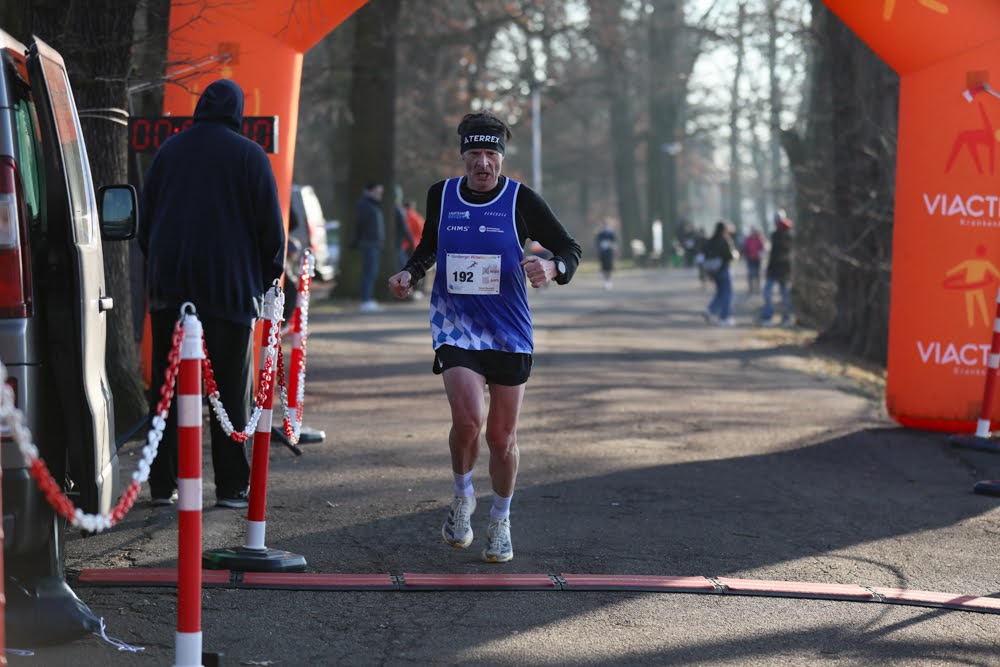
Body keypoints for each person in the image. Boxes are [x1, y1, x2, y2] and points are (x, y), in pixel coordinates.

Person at [387, 111, 582, 564]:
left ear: (500, 158)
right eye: (474, 153)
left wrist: (553, 267)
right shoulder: (443, 195)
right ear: (463, 157)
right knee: (469, 419)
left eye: (490, 154)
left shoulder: (520, 200)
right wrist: (410, 273)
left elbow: (570, 248)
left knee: (501, 438)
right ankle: (461, 495)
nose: (482, 163)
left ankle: (500, 518)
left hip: (509, 331)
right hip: (456, 326)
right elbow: (430, 244)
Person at [139, 78, 286, 509]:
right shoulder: (249, 155)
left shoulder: (168, 152)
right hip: (230, 293)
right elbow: (270, 232)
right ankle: (231, 487)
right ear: (237, 111)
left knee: (165, 392)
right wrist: (261, 280)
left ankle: (163, 485)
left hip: (170, 291)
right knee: (229, 393)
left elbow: (147, 224)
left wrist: (162, 271)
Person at [353, 180, 385, 313]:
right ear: (371, 191)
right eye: (378, 191)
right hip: (369, 243)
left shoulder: (372, 204)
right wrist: (358, 240)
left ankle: (368, 299)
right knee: (369, 272)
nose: (380, 194)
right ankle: (365, 300)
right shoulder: (365, 204)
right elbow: (361, 224)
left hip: (373, 243)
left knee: (372, 272)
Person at [759, 210, 794, 326]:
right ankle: (784, 318)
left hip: (778, 270)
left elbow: (775, 255)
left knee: (770, 293)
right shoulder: (786, 234)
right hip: (784, 270)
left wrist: (769, 269)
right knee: (783, 295)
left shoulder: (782, 235)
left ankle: (772, 317)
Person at [701, 220, 738, 326]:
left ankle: (709, 310)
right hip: (724, 270)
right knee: (727, 294)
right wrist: (734, 254)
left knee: (720, 293)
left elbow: (705, 255)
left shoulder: (710, 241)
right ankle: (724, 318)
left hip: (713, 271)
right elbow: (729, 256)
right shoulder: (724, 241)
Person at [402, 200, 426, 298]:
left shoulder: (403, 216)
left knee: (407, 269)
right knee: (417, 268)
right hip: (416, 246)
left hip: (404, 246)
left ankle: (410, 290)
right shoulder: (416, 217)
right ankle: (418, 290)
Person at [741, 226, 766, 294]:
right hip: (750, 259)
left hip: (757, 259)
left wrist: (761, 253)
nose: (753, 233)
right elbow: (744, 248)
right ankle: (751, 288)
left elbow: (762, 248)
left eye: (754, 231)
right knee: (750, 273)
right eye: (752, 231)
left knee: (757, 273)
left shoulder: (759, 239)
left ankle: (758, 287)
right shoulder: (748, 239)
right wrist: (745, 254)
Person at [595, 217, 618, 290]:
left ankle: (609, 281)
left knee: (609, 267)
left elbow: (615, 244)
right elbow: (597, 243)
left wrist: (610, 244)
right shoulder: (600, 233)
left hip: (609, 252)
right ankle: (605, 281)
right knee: (603, 267)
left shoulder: (612, 233)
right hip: (602, 252)